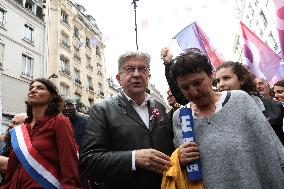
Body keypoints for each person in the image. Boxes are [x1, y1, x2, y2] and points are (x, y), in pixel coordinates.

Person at [171, 50, 284, 188]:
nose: (193, 92)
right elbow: (184, 169)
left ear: (210, 75)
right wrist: (180, 159)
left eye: (198, 83)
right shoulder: (181, 118)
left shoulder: (240, 100)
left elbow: (271, 149)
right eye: (185, 87)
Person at [80, 51, 175, 189]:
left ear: (148, 75)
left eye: (142, 69)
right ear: (118, 78)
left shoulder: (159, 107)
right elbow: (89, 161)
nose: (136, 74)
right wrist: (133, 158)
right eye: (129, 69)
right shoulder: (102, 109)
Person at [0, 78, 81, 189]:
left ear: (52, 96)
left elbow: (69, 165)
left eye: (40, 88)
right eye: (31, 88)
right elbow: (12, 170)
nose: (33, 90)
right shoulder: (22, 129)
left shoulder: (59, 121)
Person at [215, 61, 284, 145]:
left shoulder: (274, 107)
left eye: (226, 78)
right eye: (218, 81)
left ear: (242, 79)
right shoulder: (218, 113)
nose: (220, 84)